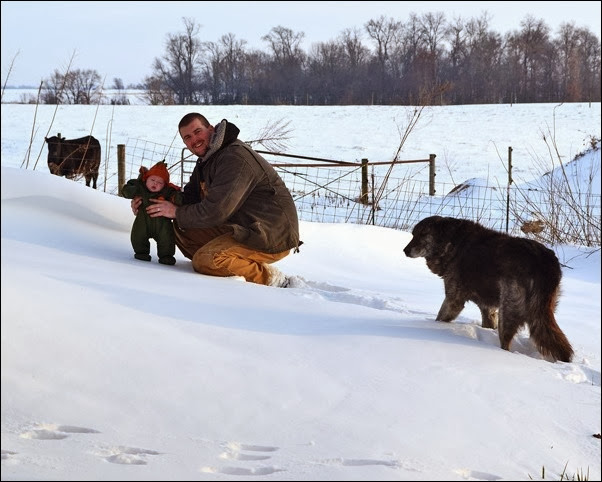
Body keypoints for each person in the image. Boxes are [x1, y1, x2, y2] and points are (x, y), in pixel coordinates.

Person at [131, 113, 301, 287]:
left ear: (211, 129)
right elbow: (190, 197)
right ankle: (231, 264)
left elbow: (217, 211)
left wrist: (174, 210)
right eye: (188, 137)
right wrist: (151, 202)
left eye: (198, 132)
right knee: (176, 227)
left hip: (270, 233)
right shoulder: (208, 159)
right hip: (243, 225)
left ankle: (272, 279)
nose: (194, 140)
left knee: (205, 260)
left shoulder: (234, 158)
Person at [122, 160, 182, 265]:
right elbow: (126, 191)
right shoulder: (140, 188)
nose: (155, 183)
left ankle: (166, 256)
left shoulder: (168, 192)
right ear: (146, 180)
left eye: (160, 182)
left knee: (167, 239)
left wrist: (176, 198)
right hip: (143, 221)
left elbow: (178, 198)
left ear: (165, 185)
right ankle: (141, 253)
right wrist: (134, 189)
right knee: (138, 236)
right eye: (152, 180)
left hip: (162, 224)